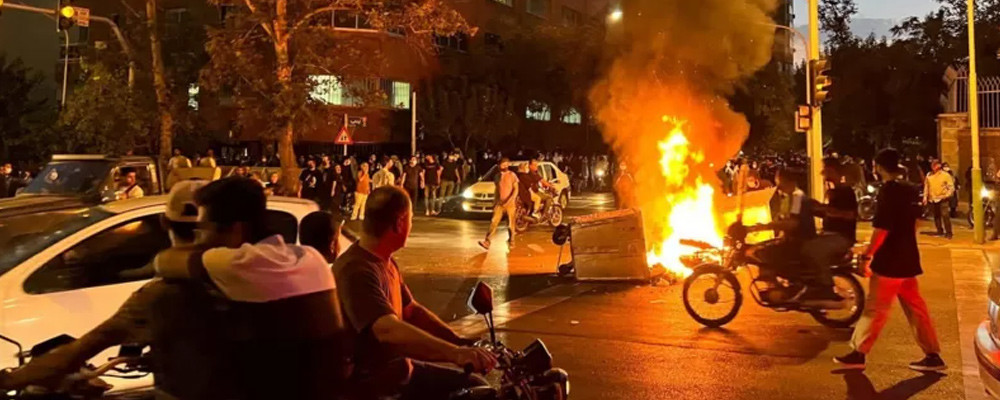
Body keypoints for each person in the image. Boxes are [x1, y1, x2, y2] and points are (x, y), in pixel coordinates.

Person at [154, 177, 351, 399]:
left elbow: (165, 262)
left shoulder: (236, 264)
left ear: (236, 229)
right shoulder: (311, 257)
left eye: (204, 228)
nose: (199, 238)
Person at [0, 181, 205, 393]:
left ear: (164, 222)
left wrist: (9, 380)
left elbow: (77, 352)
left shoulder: (159, 296)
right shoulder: (235, 280)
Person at [334, 186, 494, 399]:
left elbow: (411, 311)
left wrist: (459, 342)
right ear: (399, 223)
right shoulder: (356, 270)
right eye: (411, 219)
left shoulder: (385, 261)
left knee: (477, 388)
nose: (411, 225)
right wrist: (454, 354)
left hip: (402, 373)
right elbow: (387, 329)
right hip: (377, 388)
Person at [835, 149, 945, 372]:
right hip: (908, 259)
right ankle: (932, 354)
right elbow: (916, 223)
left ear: (879, 167)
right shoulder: (910, 188)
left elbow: (882, 228)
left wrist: (868, 254)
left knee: (875, 309)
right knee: (916, 308)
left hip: (889, 262)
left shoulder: (888, 191)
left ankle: (858, 353)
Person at [742, 168, 824, 299]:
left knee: (765, 254)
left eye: (780, 183)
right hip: (789, 239)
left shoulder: (797, 197)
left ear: (789, 182)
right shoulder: (787, 198)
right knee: (761, 249)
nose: (778, 187)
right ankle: (777, 286)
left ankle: (782, 290)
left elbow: (792, 223)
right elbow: (781, 219)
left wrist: (764, 227)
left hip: (799, 242)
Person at [802, 157, 856, 305]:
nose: (822, 173)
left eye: (824, 169)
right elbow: (826, 212)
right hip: (828, 235)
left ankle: (826, 287)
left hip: (841, 237)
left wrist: (825, 209)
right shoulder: (831, 192)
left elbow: (849, 214)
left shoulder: (845, 191)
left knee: (813, 249)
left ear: (832, 170)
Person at [479, 158, 519, 250]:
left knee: (510, 224)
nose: (504, 166)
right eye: (502, 164)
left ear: (508, 164)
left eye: (506, 164)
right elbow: (497, 190)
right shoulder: (497, 176)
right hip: (499, 204)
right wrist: (495, 202)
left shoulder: (512, 175)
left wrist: (510, 200)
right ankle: (487, 242)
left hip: (510, 204)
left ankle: (512, 241)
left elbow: (516, 189)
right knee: (493, 222)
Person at [923, 160, 954, 239]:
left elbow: (951, 187)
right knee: (936, 216)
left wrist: (947, 195)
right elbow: (926, 186)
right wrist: (925, 197)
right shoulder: (929, 175)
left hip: (943, 198)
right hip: (933, 198)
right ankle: (939, 230)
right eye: (933, 165)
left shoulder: (945, 175)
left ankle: (948, 232)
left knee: (945, 215)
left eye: (935, 165)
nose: (934, 166)